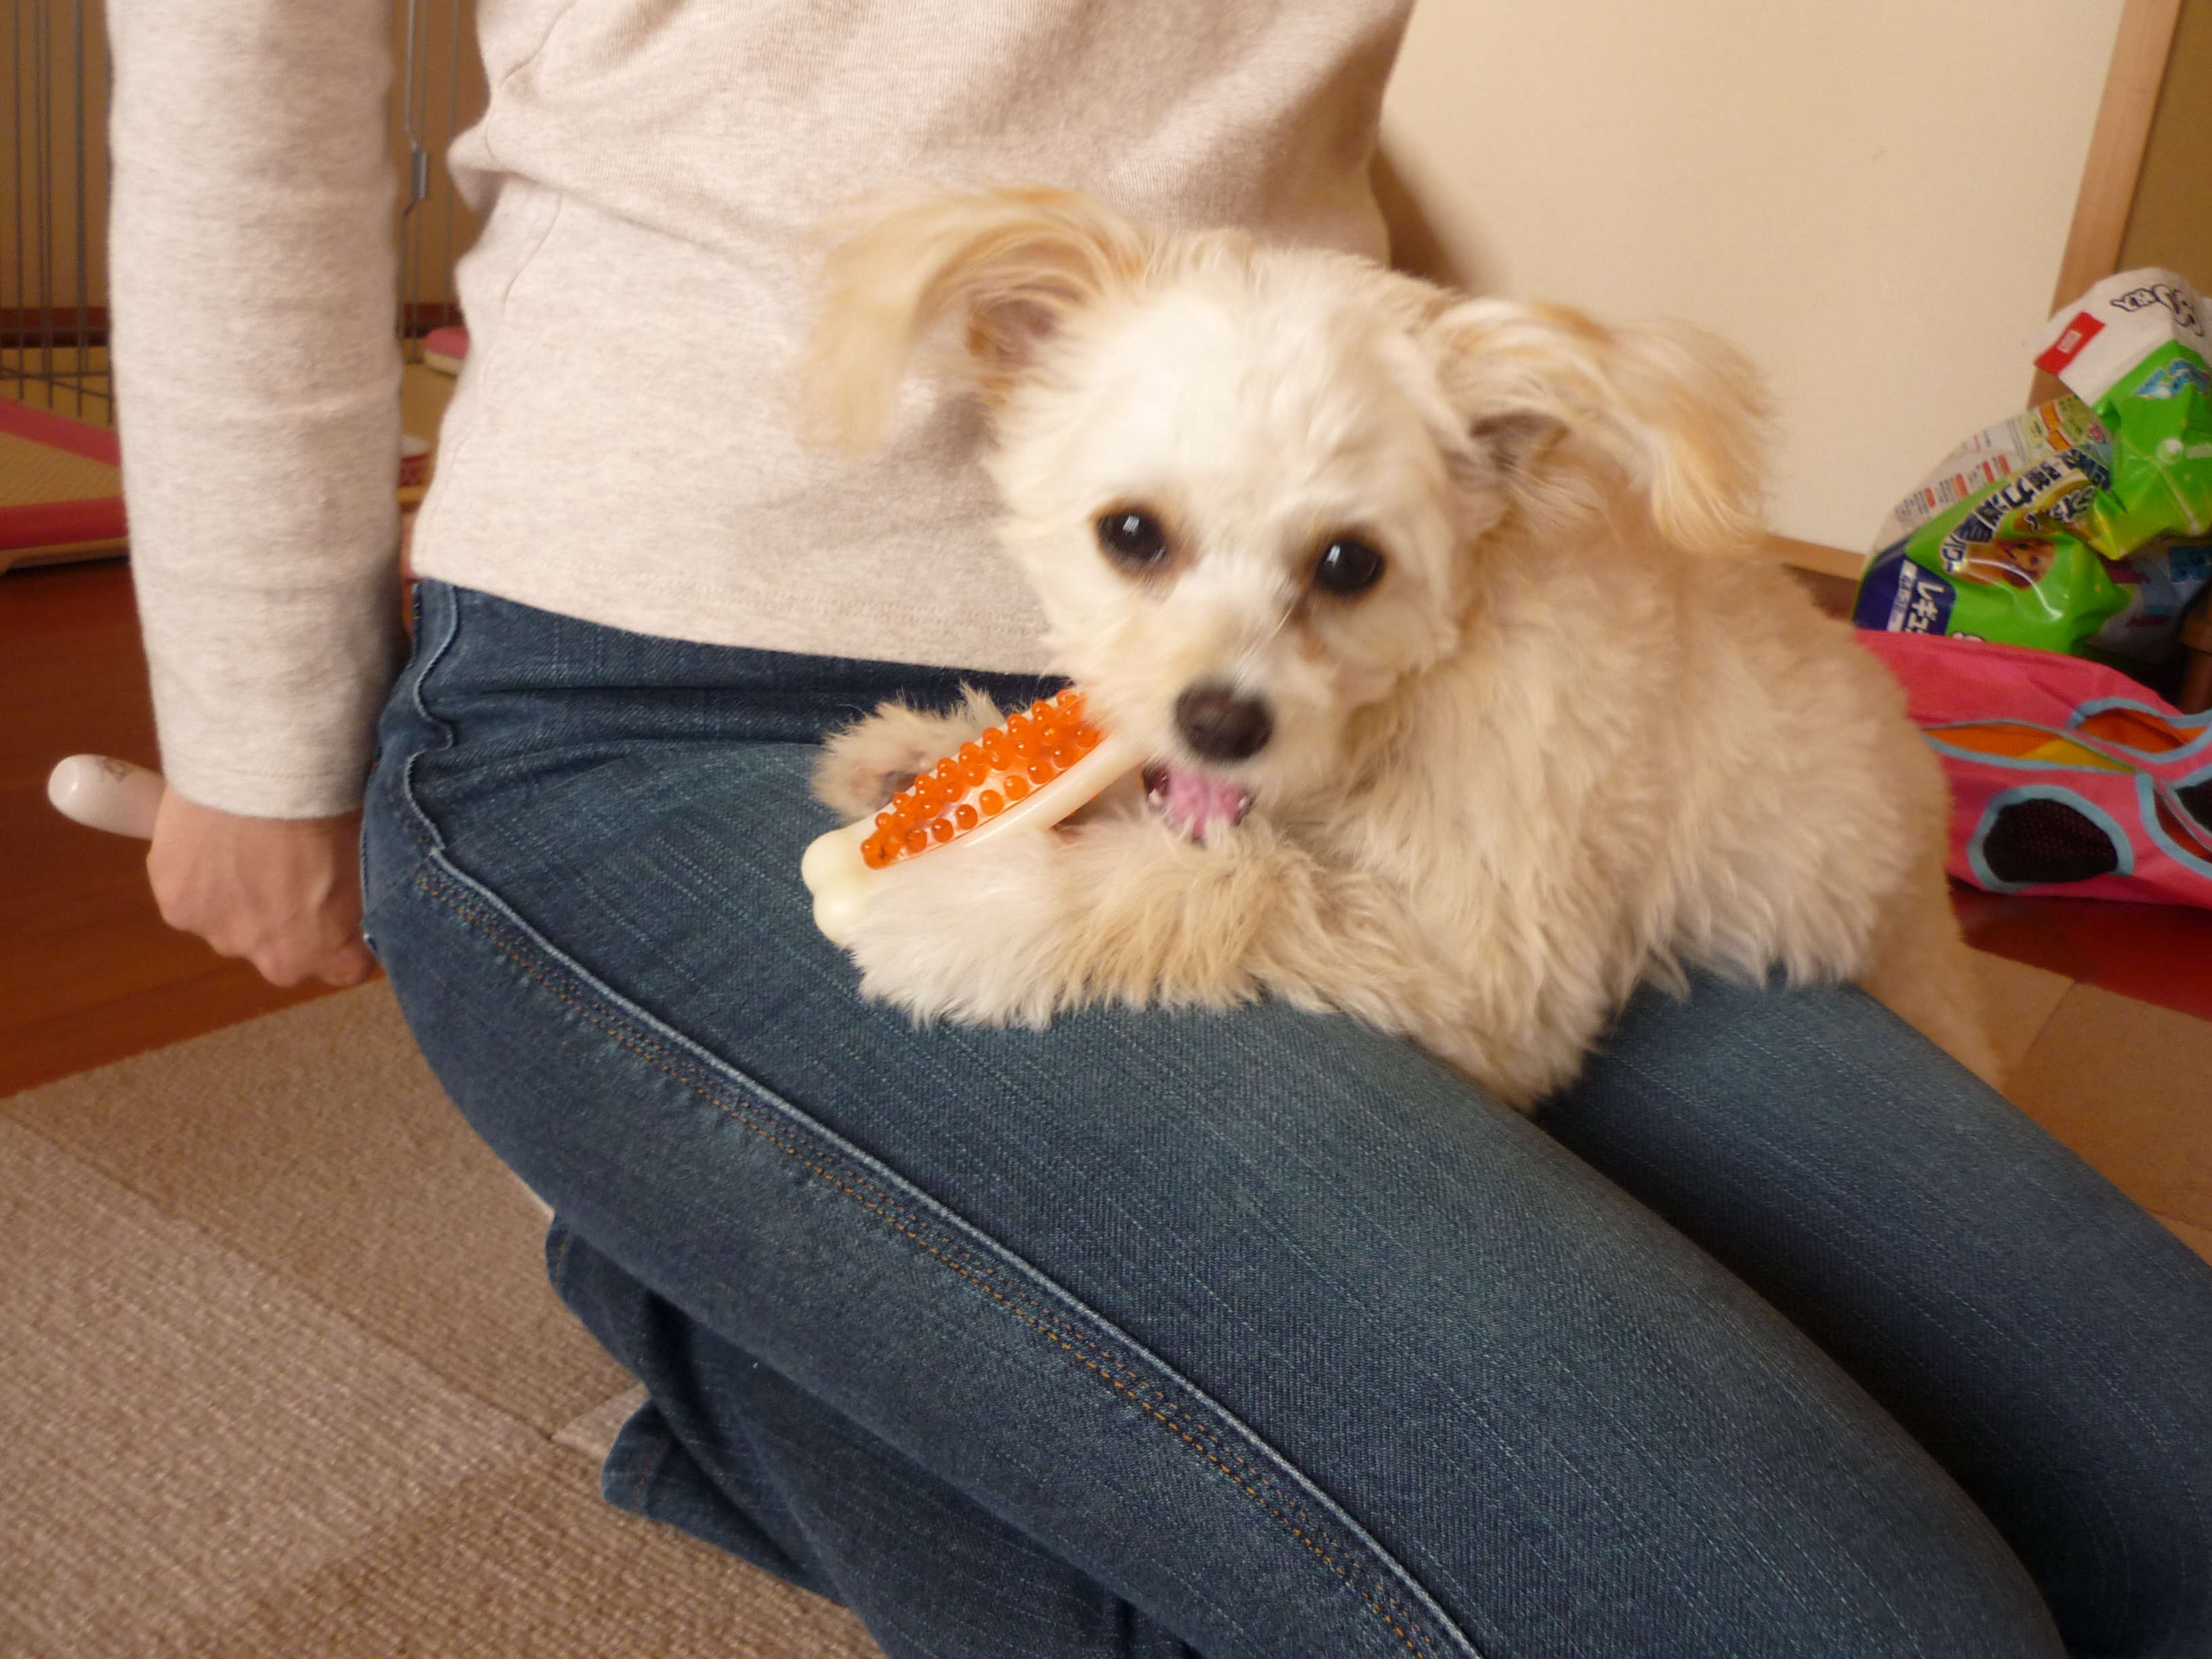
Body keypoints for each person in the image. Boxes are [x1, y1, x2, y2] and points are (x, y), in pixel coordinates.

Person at [109, 3, 2212, 1654]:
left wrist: (1401, 380)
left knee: (2168, 1496)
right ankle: (748, 1293)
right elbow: (242, 65)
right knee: (1847, 1622)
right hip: (630, 692)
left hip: (1345, 740)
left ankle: (823, 1318)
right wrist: (252, 725)